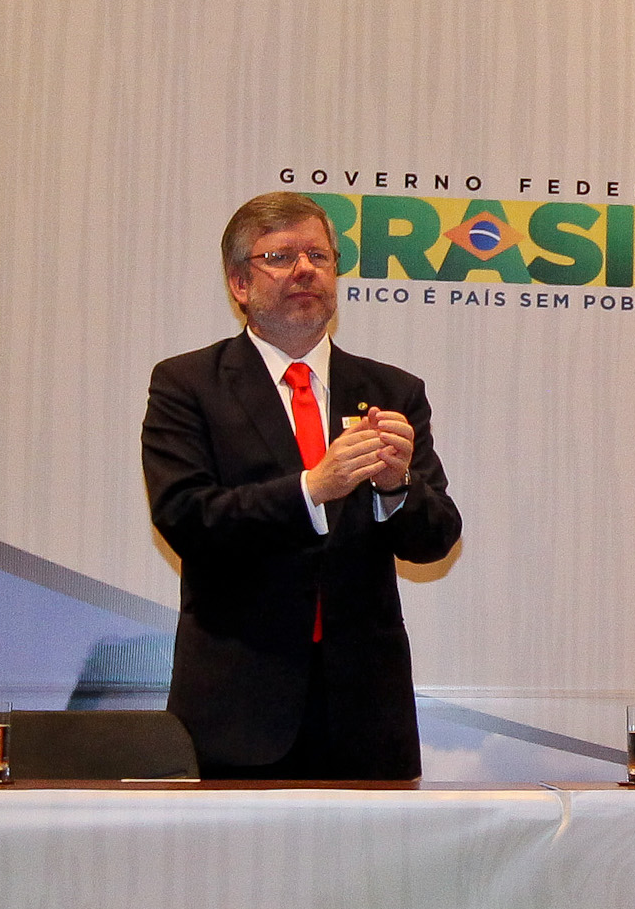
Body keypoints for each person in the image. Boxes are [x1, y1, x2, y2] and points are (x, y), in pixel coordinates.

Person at [142, 193, 460, 779]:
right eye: (282, 257)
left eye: (318, 254)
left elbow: (436, 536)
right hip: (239, 706)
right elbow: (185, 516)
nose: (306, 269)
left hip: (365, 710)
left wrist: (396, 489)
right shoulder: (187, 385)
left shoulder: (392, 391)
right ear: (240, 283)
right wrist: (312, 488)